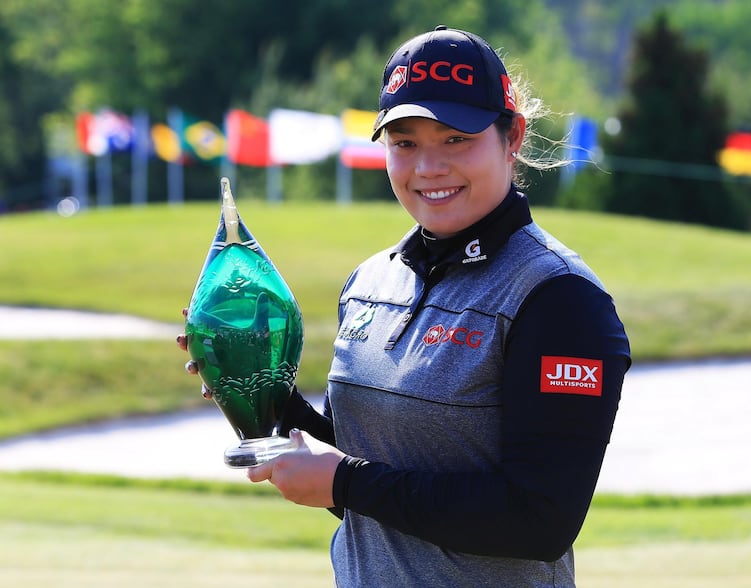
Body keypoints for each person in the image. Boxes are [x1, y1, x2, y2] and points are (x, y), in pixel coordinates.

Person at [179, 25, 630, 587]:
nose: (428, 167)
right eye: (405, 143)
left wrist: (344, 482)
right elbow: (382, 493)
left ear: (511, 137)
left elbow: (539, 520)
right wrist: (272, 401)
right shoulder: (371, 283)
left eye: (455, 139)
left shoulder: (559, 300)